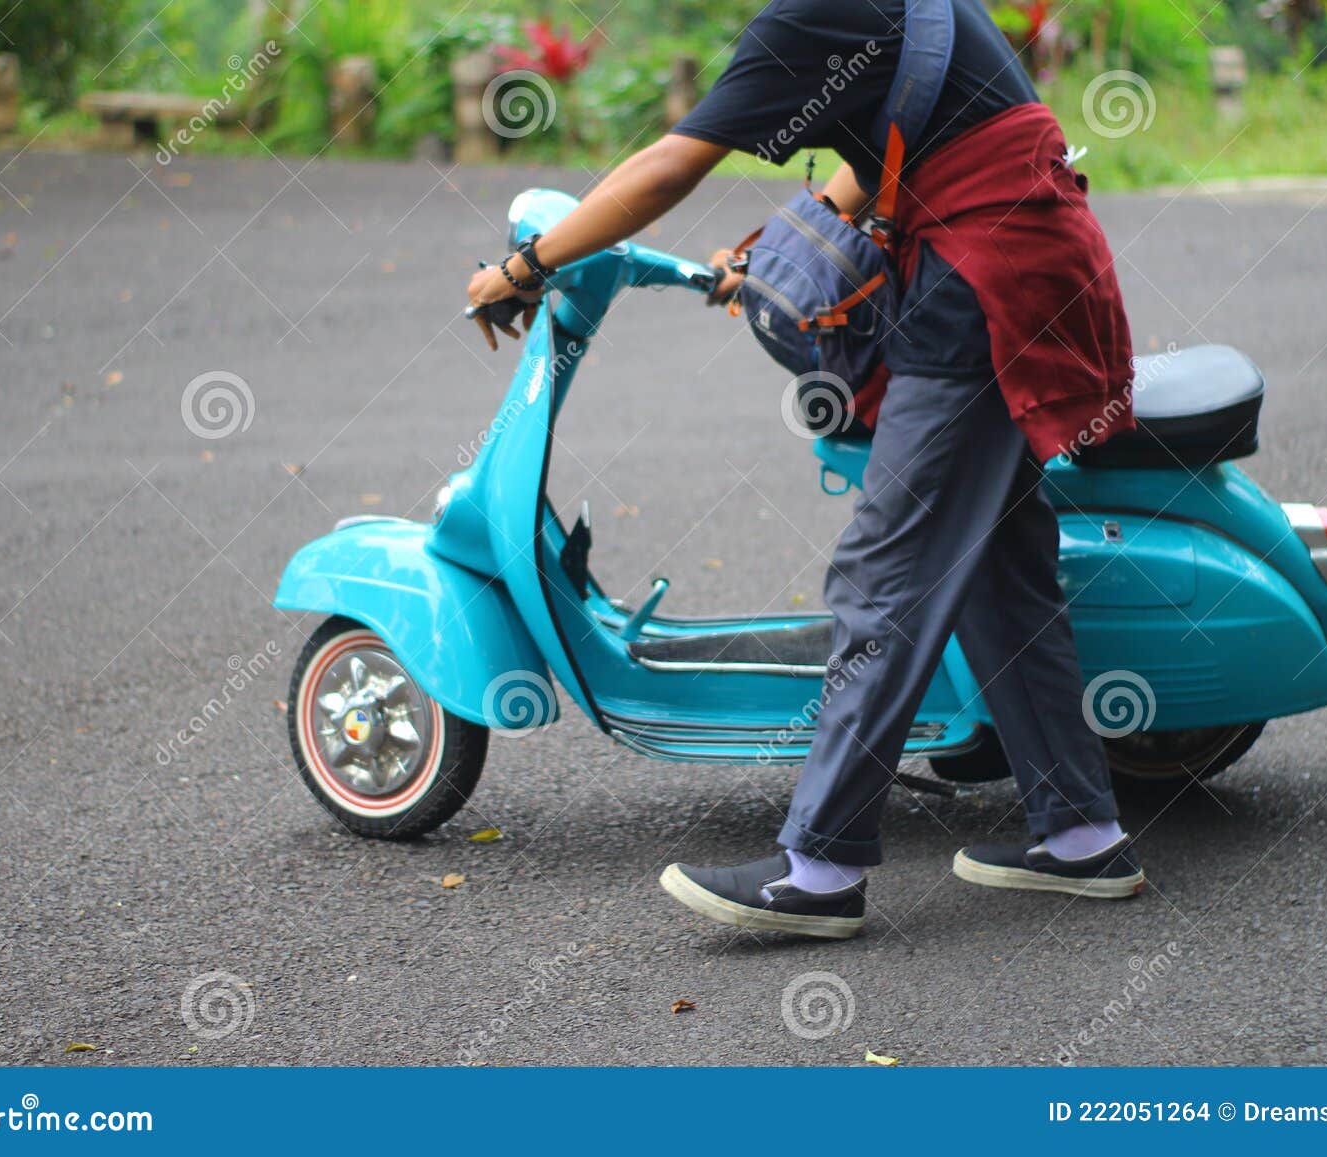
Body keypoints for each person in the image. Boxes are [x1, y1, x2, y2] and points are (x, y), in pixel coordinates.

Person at [464, 0, 1143, 941]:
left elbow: (670, 167)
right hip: (1020, 259)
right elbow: (903, 137)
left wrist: (524, 265)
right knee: (995, 561)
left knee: (886, 571)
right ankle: (1081, 834)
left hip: (980, 280)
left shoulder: (806, 17)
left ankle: (820, 868)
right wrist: (777, 252)